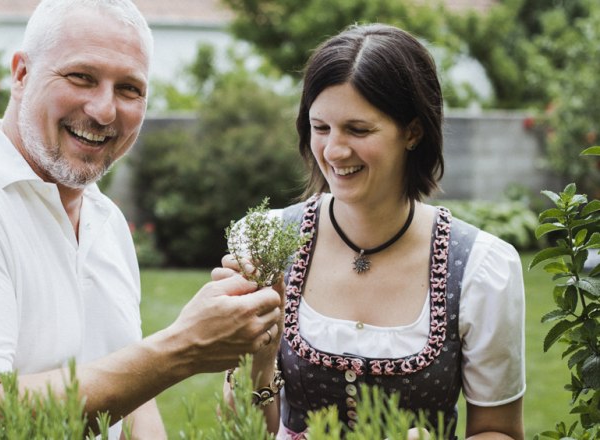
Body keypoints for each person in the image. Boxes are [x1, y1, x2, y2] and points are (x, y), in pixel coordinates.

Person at [0, 1, 282, 438]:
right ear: (21, 75)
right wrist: (181, 349)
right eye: (81, 77)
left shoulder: (104, 221)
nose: (104, 110)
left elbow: (130, 396)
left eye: (130, 89)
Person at [220, 24, 525, 440]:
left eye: (358, 130)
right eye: (321, 127)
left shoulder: (480, 267)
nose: (334, 151)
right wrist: (258, 359)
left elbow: (498, 430)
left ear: (413, 132)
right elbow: (244, 431)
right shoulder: (263, 241)